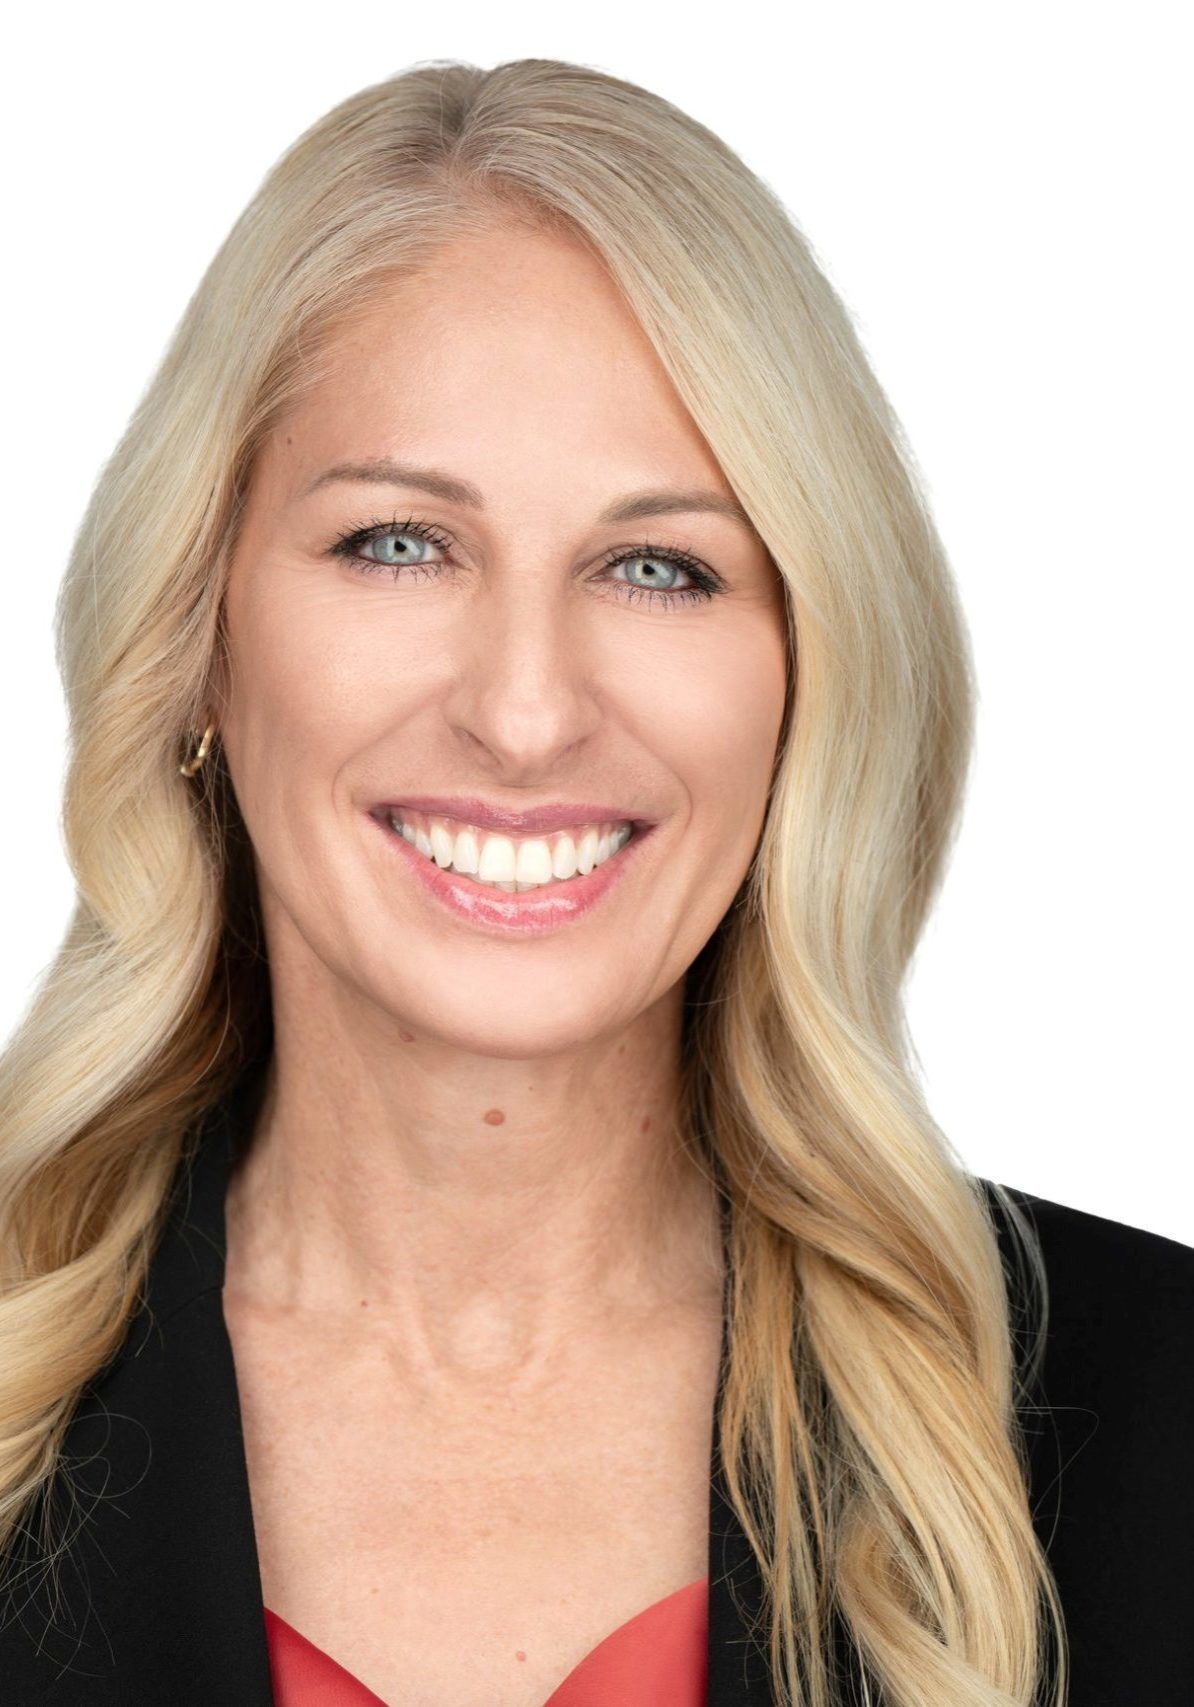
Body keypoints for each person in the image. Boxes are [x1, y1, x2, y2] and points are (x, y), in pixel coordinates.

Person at [0, 56, 1190, 1707]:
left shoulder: (1156, 1414)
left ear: (808, 677)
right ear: (197, 641)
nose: (525, 710)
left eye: (658, 567)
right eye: (398, 543)